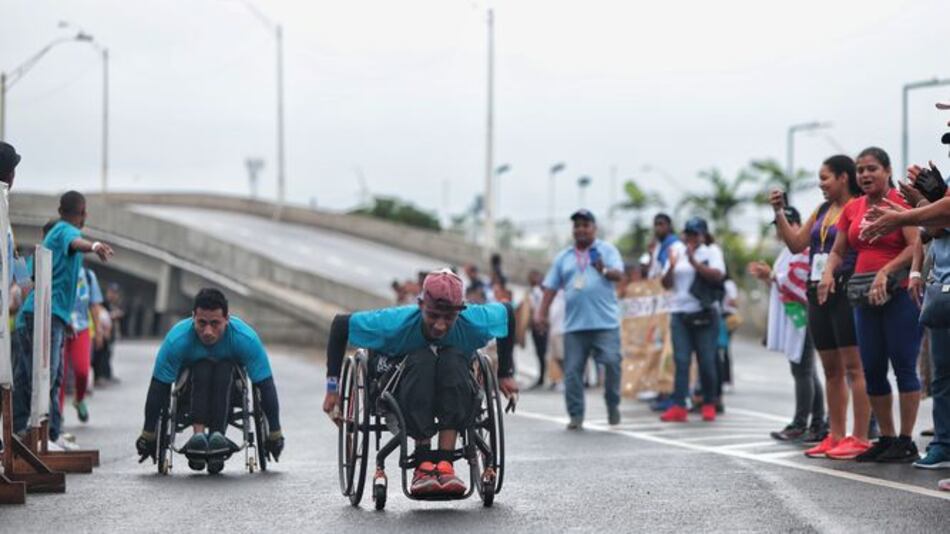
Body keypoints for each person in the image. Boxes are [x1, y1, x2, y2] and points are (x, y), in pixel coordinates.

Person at [321, 269, 518, 496]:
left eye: (449, 318)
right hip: (402, 384)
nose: (440, 325)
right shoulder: (395, 323)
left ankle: (445, 463)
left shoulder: (473, 321)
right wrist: (332, 389)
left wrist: (505, 373)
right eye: (433, 316)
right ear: (421, 305)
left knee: (453, 359)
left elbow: (508, 313)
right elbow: (340, 325)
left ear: (460, 311)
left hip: (454, 382)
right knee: (422, 358)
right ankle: (422, 464)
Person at [821, 147, 921, 463]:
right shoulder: (853, 208)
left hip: (899, 294)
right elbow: (839, 250)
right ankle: (887, 438)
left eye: (872, 168)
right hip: (864, 295)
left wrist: (886, 270)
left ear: (887, 171)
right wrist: (828, 272)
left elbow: (915, 245)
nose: (865, 175)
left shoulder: (901, 202)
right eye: (861, 169)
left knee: (903, 366)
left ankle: (906, 440)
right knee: (873, 368)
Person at [771, 154, 871, 459]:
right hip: (816, 290)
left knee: (854, 367)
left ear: (843, 177)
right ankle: (835, 435)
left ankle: (861, 436)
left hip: (845, 288)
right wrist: (778, 211)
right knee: (830, 370)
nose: (821, 184)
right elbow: (796, 244)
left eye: (825, 177)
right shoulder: (822, 210)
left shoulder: (860, 206)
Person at [135, 289, 285, 473]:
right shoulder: (177, 340)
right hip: (189, 390)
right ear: (193, 318)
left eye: (215, 324)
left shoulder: (245, 338)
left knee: (224, 367)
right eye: (202, 323)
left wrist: (275, 434)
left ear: (227, 319)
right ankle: (198, 436)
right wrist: (148, 435)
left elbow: (265, 385)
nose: (208, 331)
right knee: (202, 367)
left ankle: (217, 435)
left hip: (230, 388)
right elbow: (159, 388)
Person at [11, 191, 114, 450]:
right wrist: (94, 246)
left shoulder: (52, 242)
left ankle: (47, 432)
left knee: (47, 377)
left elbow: (29, 280)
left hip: (49, 314)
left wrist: (63, 317)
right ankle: (32, 432)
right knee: (41, 376)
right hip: (40, 315)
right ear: (83, 213)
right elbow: (75, 242)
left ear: (60, 209)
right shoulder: (65, 231)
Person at [536, 209, 624, 430]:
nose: (581, 229)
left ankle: (612, 403)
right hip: (575, 326)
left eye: (585, 225)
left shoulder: (607, 250)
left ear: (594, 228)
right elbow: (550, 288)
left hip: (605, 324)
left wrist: (603, 269)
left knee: (612, 363)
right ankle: (576, 415)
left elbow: (619, 275)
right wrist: (541, 313)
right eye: (577, 226)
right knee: (572, 372)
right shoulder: (564, 257)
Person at [749, 206, 825, 442]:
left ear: (795, 225)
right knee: (805, 370)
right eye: (777, 226)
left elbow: (798, 281)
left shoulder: (804, 248)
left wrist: (771, 275)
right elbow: (782, 284)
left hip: (804, 316)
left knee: (803, 371)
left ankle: (803, 423)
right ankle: (816, 422)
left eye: (782, 225)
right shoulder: (786, 252)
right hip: (793, 316)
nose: (779, 231)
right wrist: (769, 276)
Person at [658, 216, 724, 423]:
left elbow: (717, 276)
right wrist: (671, 266)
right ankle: (679, 405)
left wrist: (694, 261)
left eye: (696, 234)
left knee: (706, 360)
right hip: (680, 313)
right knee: (681, 360)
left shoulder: (712, 251)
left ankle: (709, 402)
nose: (691, 238)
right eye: (688, 233)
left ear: (703, 235)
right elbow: (665, 283)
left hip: (705, 313)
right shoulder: (676, 250)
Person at [60, 264, 104, 423]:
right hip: (60, 326)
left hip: (81, 328)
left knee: (82, 371)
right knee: (60, 373)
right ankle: (57, 413)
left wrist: (98, 330)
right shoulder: (59, 269)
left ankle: (79, 399)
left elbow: (94, 305)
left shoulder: (88, 275)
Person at [527, 269, 548, 389]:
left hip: (539, 326)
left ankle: (542, 377)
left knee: (541, 352)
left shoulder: (536, 292)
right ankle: (542, 376)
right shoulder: (538, 292)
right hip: (539, 325)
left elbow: (534, 309)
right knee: (540, 353)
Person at [648, 213, 680, 279]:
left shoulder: (676, 244)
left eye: (661, 224)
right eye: (656, 224)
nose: (658, 228)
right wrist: (651, 255)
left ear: (669, 226)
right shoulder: (657, 245)